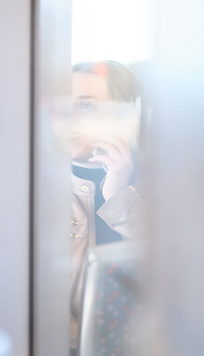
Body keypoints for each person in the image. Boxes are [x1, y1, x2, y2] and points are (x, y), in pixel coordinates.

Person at [69, 60, 143, 347]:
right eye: (67, 104)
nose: (71, 117)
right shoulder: (33, 187)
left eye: (86, 106)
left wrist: (118, 193)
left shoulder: (162, 184)